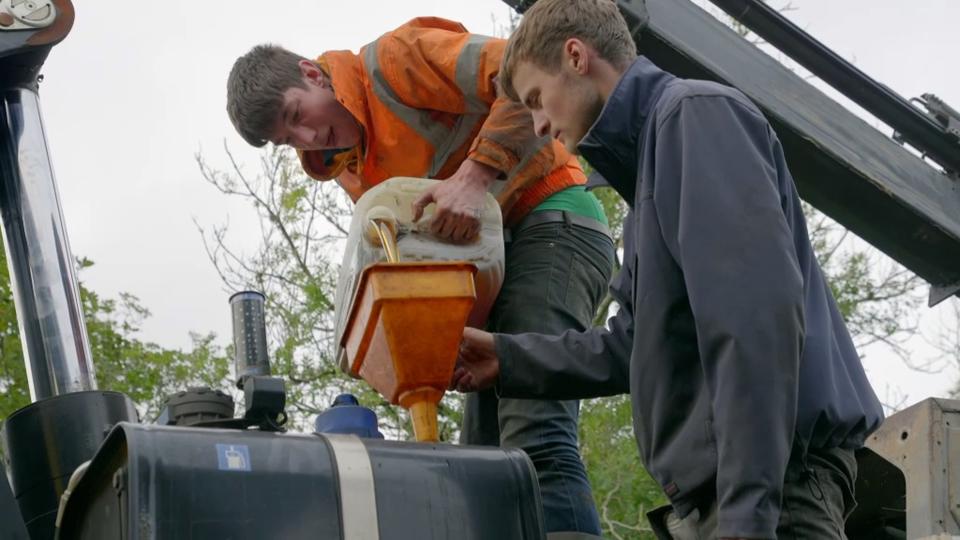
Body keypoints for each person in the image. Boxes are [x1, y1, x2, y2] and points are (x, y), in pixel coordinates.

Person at [450, 1, 884, 538]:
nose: (539, 124)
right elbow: (632, 346)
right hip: (735, 492)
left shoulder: (694, 116)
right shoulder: (648, 181)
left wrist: (747, 513)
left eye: (537, 99)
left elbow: (753, 322)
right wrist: (507, 357)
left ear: (576, 56)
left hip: (773, 487)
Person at [226, 17, 614, 538]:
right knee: (485, 462)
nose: (306, 137)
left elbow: (524, 74)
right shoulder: (349, 165)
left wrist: (474, 177)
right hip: (490, 276)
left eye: (297, 115)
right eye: (285, 139)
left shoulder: (397, 61)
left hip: (550, 219)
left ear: (312, 74)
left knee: (533, 435)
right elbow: (418, 262)